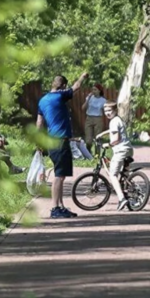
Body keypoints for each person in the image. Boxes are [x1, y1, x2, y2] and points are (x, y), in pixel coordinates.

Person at [37, 72, 88, 218]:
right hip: (60, 141)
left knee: (61, 174)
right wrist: (82, 77)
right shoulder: (60, 95)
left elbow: (39, 123)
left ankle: (61, 206)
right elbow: (76, 87)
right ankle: (54, 209)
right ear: (63, 86)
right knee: (59, 176)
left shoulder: (42, 101)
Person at [97, 102, 134, 211]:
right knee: (123, 175)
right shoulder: (118, 120)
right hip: (128, 150)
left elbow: (116, 138)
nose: (107, 113)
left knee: (113, 175)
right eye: (105, 111)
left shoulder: (113, 122)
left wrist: (107, 144)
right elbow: (115, 130)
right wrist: (102, 134)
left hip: (120, 151)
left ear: (115, 111)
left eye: (110, 111)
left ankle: (122, 199)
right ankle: (128, 192)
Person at [82, 84, 107, 153]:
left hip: (98, 119)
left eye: (95, 90)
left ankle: (97, 154)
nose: (93, 91)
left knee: (98, 138)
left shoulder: (103, 100)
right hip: (89, 118)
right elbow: (83, 108)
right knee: (88, 140)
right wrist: (88, 99)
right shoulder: (90, 98)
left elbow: (106, 110)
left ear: (99, 91)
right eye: (92, 89)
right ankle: (88, 152)